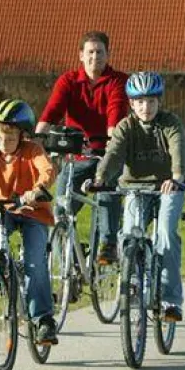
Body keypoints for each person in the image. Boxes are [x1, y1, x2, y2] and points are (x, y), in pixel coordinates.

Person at [89, 71, 185, 322]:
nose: (146, 107)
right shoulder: (126, 127)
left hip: (168, 186)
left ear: (159, 102)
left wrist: (177, 176)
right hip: (135, 187)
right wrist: (100, 178)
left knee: (165, 234)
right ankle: (132, 281)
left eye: (151, 101)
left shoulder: (170, 123)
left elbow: (178, 149)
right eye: (140, 102)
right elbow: (113, 154)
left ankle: (170, 301)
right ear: (132, 104)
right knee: (129, 232)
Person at [36, 30, 129, 264]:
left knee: (106, 194)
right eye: (90, 52)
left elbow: (115, 111)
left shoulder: (118, 80)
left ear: (108, 55)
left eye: (99, 52)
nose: (94, 57)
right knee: (60, 211)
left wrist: (111, 143)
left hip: (105, 154)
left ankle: (108, 245)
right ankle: (70, 266)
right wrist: (38, 137)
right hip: (76, 156)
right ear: (80, 55)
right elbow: (53, 110)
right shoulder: (68, 81)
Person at [0, 98, 59, 345]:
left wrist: (38, 189)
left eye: (10, 138)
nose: (4, 143)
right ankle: (2, 271)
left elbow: (47, 171)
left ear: (22, 136)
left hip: (33, 212)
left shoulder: (33, 151)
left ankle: (43, 321)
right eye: (0, 138)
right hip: (5, 211)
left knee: (34, 263)